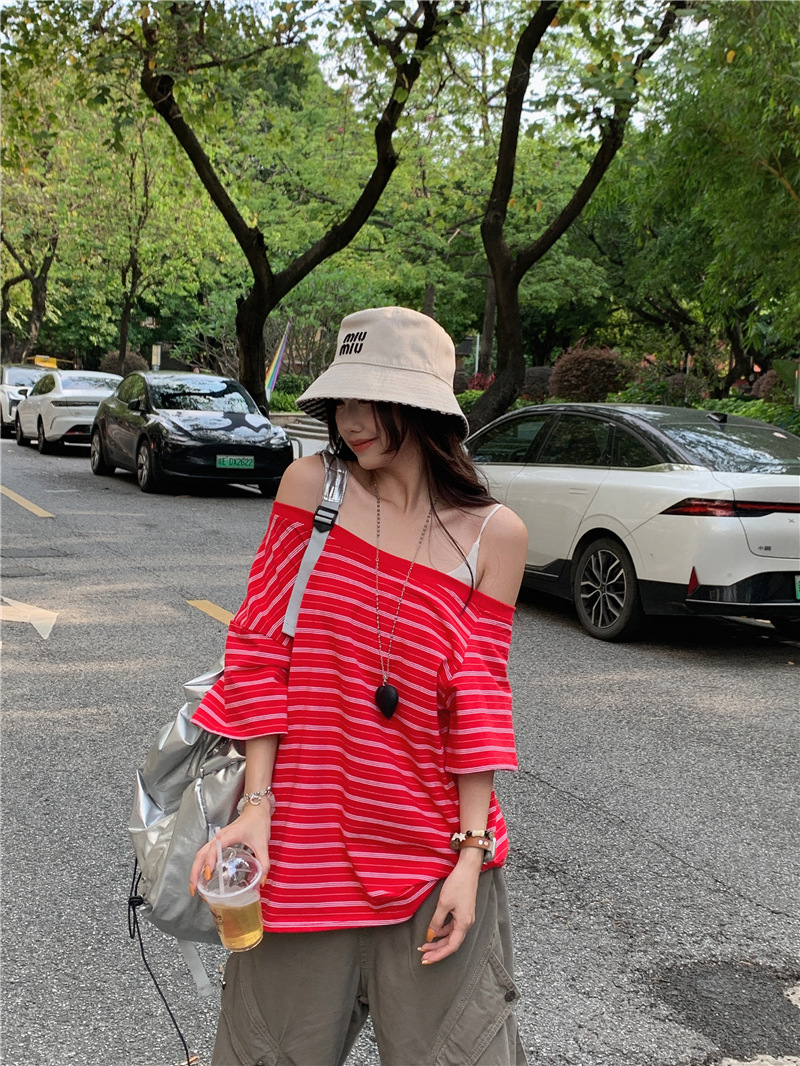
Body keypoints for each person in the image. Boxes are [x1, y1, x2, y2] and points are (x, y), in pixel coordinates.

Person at [189, 306, 529, 1066]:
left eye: (374, 400)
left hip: (433, 860)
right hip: (300, 852)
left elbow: (478, 701)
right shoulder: (312, 488)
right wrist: (255, 807)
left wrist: (469, 859)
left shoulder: (494, 535)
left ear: (425, 409)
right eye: (342, 398)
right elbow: (258, 650)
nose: (350, 419)